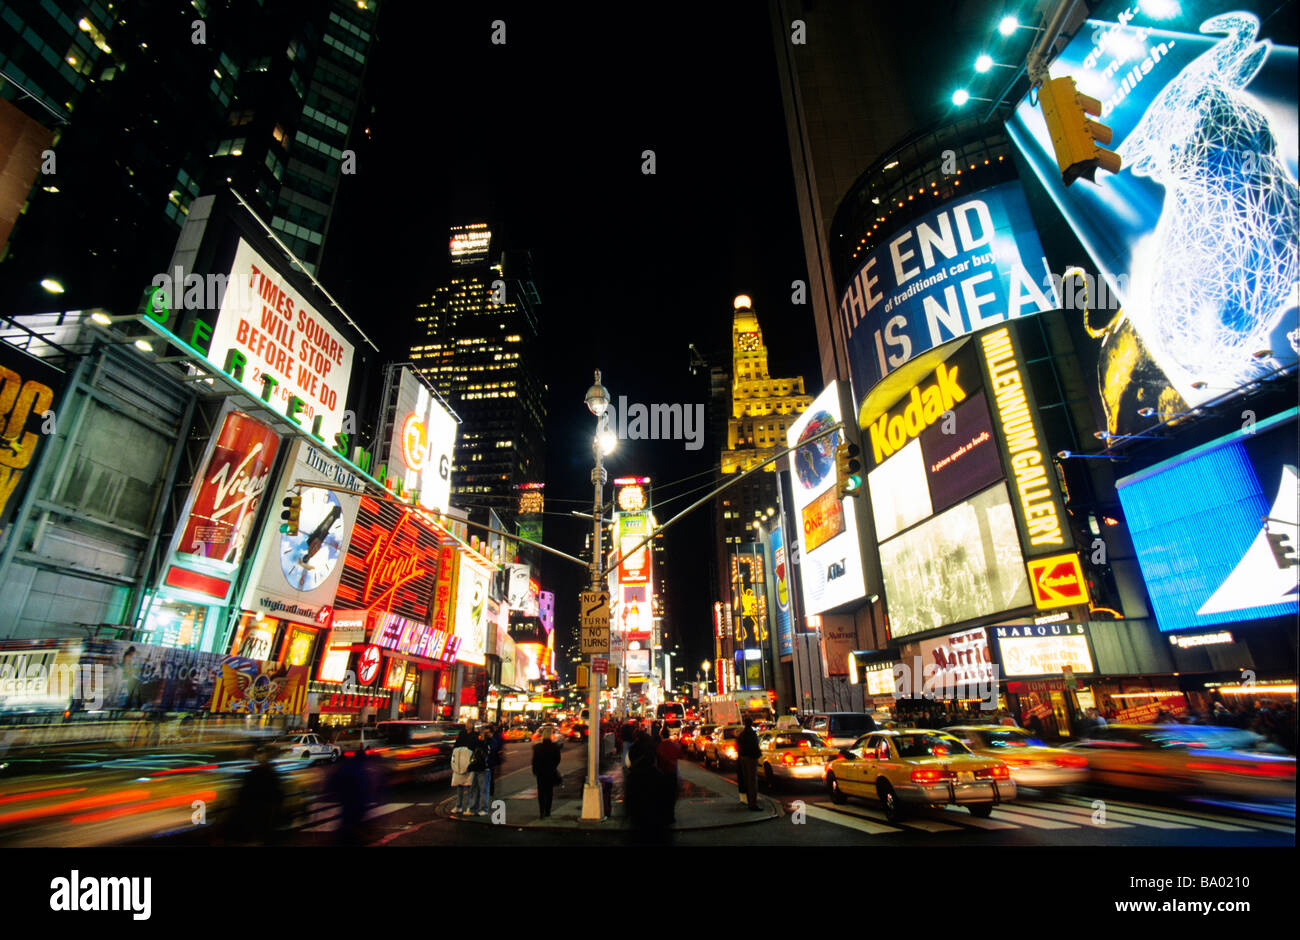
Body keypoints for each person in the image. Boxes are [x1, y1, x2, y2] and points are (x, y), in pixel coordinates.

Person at [228, 745, 286, 844]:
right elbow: (276, 788)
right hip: (264, 805)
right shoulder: (267, 771)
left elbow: (245, 790)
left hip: (258, 806)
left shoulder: (254, 772)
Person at [531, 726, 562, 819]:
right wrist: (553, 766)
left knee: (541, 792)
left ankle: (541, 811)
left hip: (540, 772)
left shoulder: (537, 747)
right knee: (549, 792)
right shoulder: (554, 747)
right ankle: (548, 811)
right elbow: (558, 759)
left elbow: (534, 760)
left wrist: (535, 770)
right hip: (550, 771)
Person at [655, 721, 683, 824]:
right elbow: (680, 754)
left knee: (664, 797)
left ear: (661, 736)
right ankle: (671, 816)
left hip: (663, 774)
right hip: (673, 773)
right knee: (671, 797)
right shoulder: (673, 745)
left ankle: (665, 815)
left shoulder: (660, 746)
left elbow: (658, 760)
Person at [450, 725, 478, 815]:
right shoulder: (464, 734)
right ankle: (460, 806)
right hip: (460, 763)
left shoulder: (473, 735)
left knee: (469, 786)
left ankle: (468, 807)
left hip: (468, 763)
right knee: (461, 785)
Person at [736, 716, 762, 810]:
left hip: (743, 758)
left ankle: (749, 801)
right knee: (752, 781)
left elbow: (739, 746)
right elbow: (755, 746)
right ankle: (752, 803)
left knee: (747, 780)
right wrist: (758, 754)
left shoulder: (742, 734)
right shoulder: (751, 734)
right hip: (751, 758)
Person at [485, 724, 505, 798]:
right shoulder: (485, 739)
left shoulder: (495, 738)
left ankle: (491, 791)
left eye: (487, 732)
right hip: (487, 761)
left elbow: (496, 747)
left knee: (491, 777)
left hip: (493, 760)